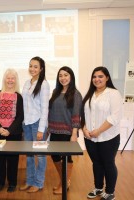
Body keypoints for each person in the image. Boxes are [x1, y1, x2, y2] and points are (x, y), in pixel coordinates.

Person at [81, 66, 122, 200]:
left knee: (108, 163)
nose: (97, 79)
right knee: (96, 163)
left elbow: (114, 117)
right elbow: (84, 114)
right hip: (90, 138)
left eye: (100, 76)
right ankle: (98, 188)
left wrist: (98, 131)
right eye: (94, 77)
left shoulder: (113, 93)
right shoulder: (90, 94)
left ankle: (110, 192)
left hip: (109, 137)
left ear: (107, 78)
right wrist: (85, 129)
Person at [48, 66, 82, 195]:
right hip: (54, 130)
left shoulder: (76, 94)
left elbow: (76, 115)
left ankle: (64, 183)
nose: (63, 78)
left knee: (67, 158)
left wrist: (74, 134)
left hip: (68, 132)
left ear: (71, 77)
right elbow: (51, 111)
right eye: (60, 75)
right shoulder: (55, 91)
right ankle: (64, 181)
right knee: (55, 156)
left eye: (66, 75)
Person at [0, 69, 24, 193]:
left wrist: (9, 130)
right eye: (8, 78)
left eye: (13, 78)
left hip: (13, 133)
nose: (10, 80)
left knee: (13, 160)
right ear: (4, 79)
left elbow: (20, 116)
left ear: (16, 80)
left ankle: (12, 183)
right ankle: (0, 182)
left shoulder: (18, 96)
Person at [20, 56, 50, 193]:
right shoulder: (27, 82)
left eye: (35, 66)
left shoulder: (44, 84)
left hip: (38, 123)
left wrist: (41, 129)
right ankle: (30, 180)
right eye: (30, 66)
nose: (32, 69)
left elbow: (45, 108)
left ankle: (39, 183)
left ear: (41, 69)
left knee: (41, 155)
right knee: (29, 154)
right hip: (26, 123)